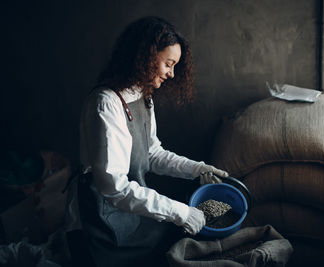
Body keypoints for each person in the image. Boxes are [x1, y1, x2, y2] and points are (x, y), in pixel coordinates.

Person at [65, 16, 229, 267]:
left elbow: (152, 154)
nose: (172, 74)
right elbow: (115, 188)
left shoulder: (143, 95)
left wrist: (198, 169)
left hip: (131, 214)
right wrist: (180, 212)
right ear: (145, 56)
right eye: (168, 64)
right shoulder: (106, 103)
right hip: (101, 223)